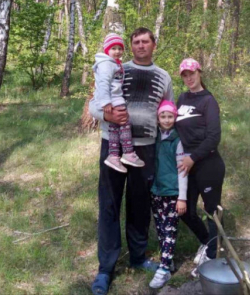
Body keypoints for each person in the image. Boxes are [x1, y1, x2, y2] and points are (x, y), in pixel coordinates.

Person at [89, 28, 174, 295]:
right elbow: (94, 104)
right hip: (113, 148)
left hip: (146, 150)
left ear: (154, 45)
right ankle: (106, 268)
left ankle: (137, 256)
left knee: (139, 205)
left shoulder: (164, 77)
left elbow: (167, 114)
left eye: (144, 41)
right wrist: (108, 117)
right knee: (110, 205)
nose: (139, 46)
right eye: (135, 42)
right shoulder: (115, 67)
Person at [175, 58, 225, 277]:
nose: (189, 78)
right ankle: (208, 242)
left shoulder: (208, 101)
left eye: (192, 73)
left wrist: (193, 158)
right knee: (183, 209)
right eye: (184, 75)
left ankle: (212, 258)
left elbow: (214, 136)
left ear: (199, 72)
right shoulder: (182, 98)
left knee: (211, 211)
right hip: (187, 164)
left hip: (207, 163)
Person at [92, 33, 145, 173]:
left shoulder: (114, 64)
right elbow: (103, 83)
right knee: (124, 122)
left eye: (119, 48)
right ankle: (127, 152)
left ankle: (114, 155)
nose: (117, 51)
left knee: (115, 128)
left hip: (113, 97)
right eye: (113, 48)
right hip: (113, 99)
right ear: (107, 50)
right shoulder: (106, 64)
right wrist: (105, 102)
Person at [149, 100, 187, 289]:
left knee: (170, 230)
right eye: (162, 116)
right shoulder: (154, 137)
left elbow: (182, 171)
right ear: (157, 118)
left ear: (175, 118)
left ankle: (163, 269)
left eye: (169, 116)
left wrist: (182, 197)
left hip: (172, 192)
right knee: (161, 229)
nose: (166, 119)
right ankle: (168, 260)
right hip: (156, 190)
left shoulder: (178, 140)